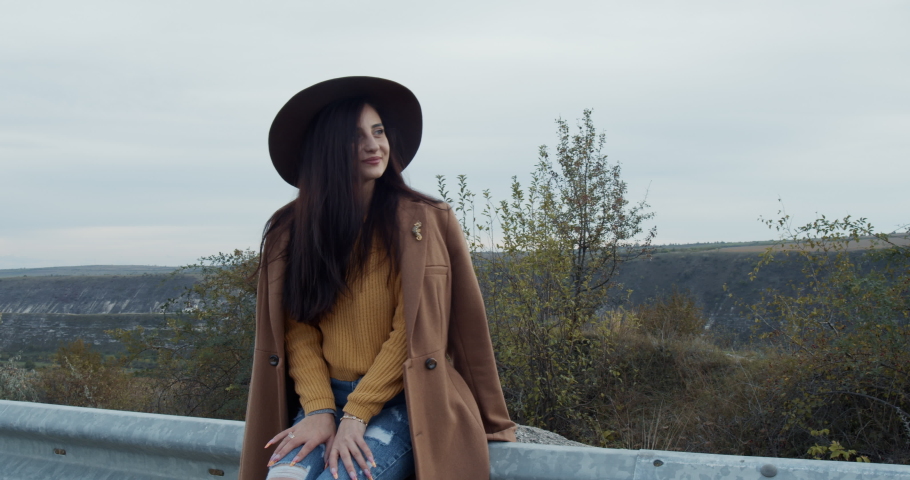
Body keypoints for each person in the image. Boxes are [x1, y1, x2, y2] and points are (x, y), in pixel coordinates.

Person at [238, 77, 516, 480]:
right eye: (355, 137)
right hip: (325, 398)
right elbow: (297, 331)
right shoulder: (291, 230)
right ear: (326, 149)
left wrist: (357, 413)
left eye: (379, 131)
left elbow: (422, 330)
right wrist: (319, 409)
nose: (374, 145)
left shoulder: (425, 220)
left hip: (408, 399)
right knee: (284, 477)